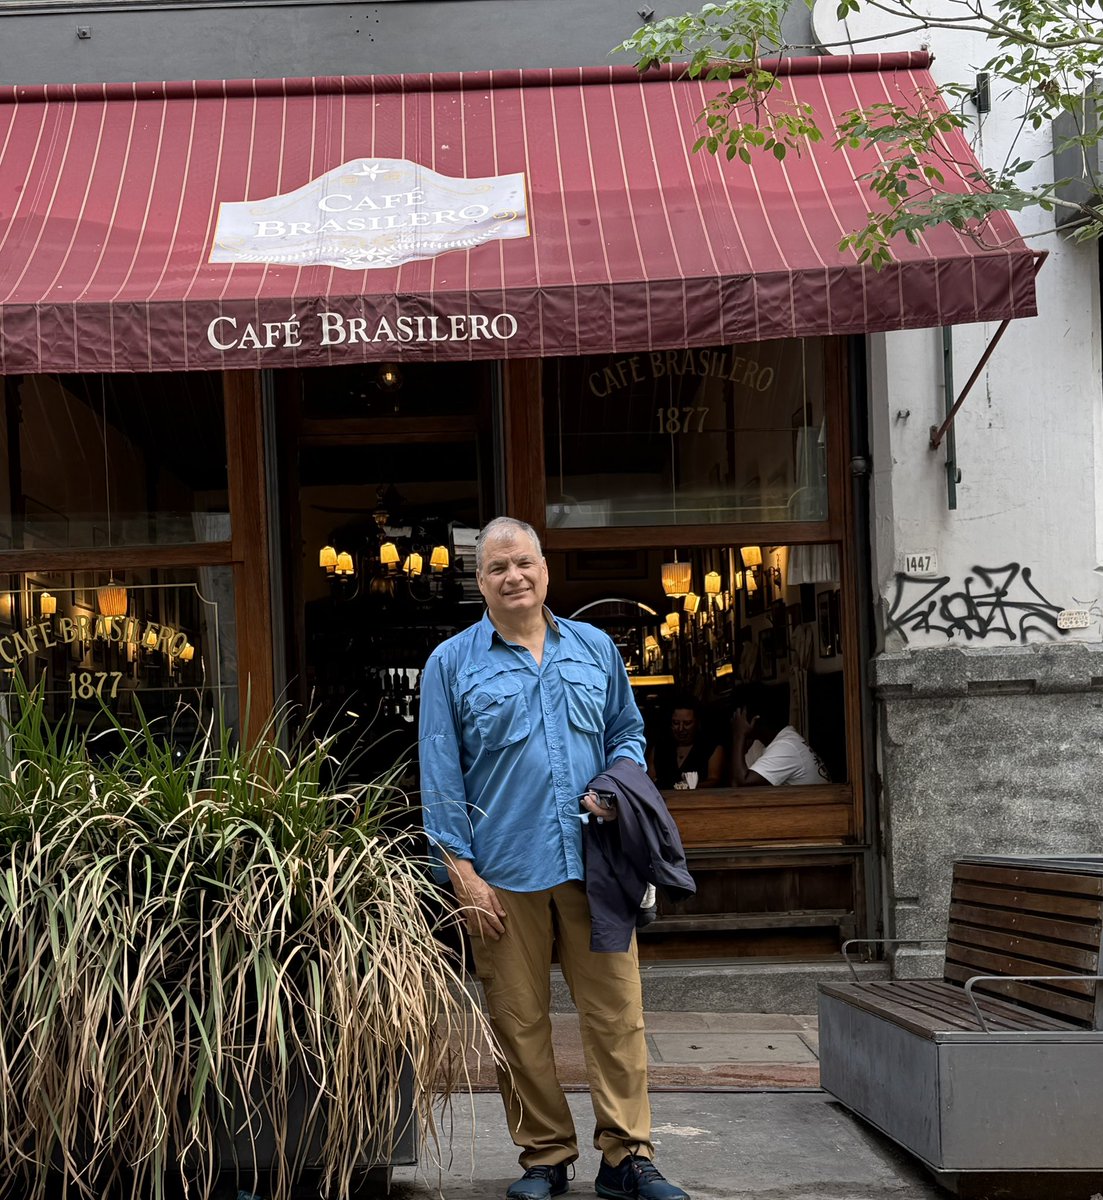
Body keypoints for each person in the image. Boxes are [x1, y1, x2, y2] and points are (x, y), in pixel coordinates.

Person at [419, 516, 691, 1200]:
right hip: (502, 873)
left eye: (522, 564)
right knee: (517, 1020)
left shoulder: (595, 648)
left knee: (617, 1014)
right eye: (496, 569)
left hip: (596, 864)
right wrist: (461, 873)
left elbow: (627, 734)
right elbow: (439, 776)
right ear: (478, 581)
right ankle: (544, 1155)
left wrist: (614, 785)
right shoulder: (450, 664)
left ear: (544, 568)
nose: (512, 577)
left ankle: (627, 1155)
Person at [730, 683, 831, 787]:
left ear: (754, 720)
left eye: (738, 719)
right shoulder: (767, 743)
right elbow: (736, 784)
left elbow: (741, 783)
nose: (735, 723)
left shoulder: (786, 746)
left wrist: (739, 735)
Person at [646, 696, 726, 789]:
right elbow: (649, 780)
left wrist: (688, 787)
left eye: (687, 723)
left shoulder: (711, 748)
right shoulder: (659, 748)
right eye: (676, 723)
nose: (680, 729)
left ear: (697, 723)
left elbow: (714, 780)